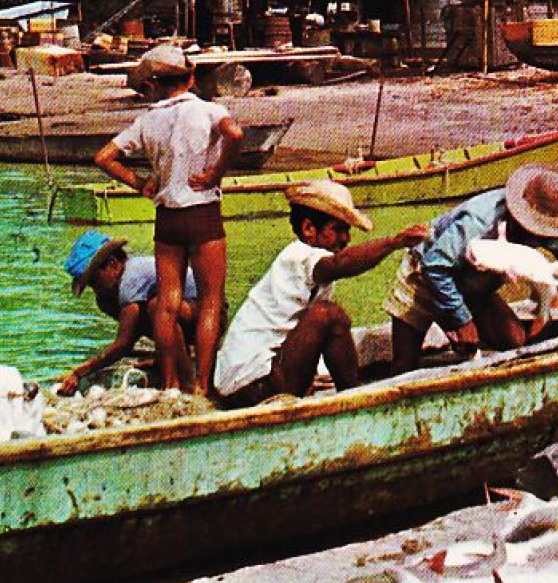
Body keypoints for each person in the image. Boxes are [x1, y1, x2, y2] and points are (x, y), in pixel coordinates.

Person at [94, 44, 244, 396]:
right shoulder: (209, 110)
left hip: (167, 218)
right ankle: (203, 387)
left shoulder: (147, 120)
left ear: (154, 85)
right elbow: (235, 135)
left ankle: (174, 383)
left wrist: (139, 183)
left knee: (167, 302)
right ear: (191, 78)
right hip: (203, 211)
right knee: (209, 300)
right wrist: (215, 173)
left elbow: (104, 157)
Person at [385, 165, 558, 373]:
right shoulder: (479, 220)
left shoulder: (549, 223)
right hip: (424, 278)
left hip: (475, 287)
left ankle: (466, 349)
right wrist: (462, 319)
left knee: (516, 341)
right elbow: (435, 266)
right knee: (404, 364)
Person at [213, 182, 428, 409]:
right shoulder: (298, 255)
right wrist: (394, 242)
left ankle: (351, 392)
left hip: (252, 382)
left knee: (328, 314)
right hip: (250, 386)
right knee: (329, 315)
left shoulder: (313, 266)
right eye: (338, 229)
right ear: (308, 229)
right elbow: (341, 264)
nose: (346, 239)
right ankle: (356, 401)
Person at [57, 231, 202, 394]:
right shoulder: (111, 297)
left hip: (201, 317)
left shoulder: (130, 279)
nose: (95, 289)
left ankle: (185, 383)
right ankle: (166, 361)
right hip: (180, 315)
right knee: (142, 308)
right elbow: (135, 329)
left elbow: (124, 344)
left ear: (113, 264)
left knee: (156, 306)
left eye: (95, 281)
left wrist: (81, 371)